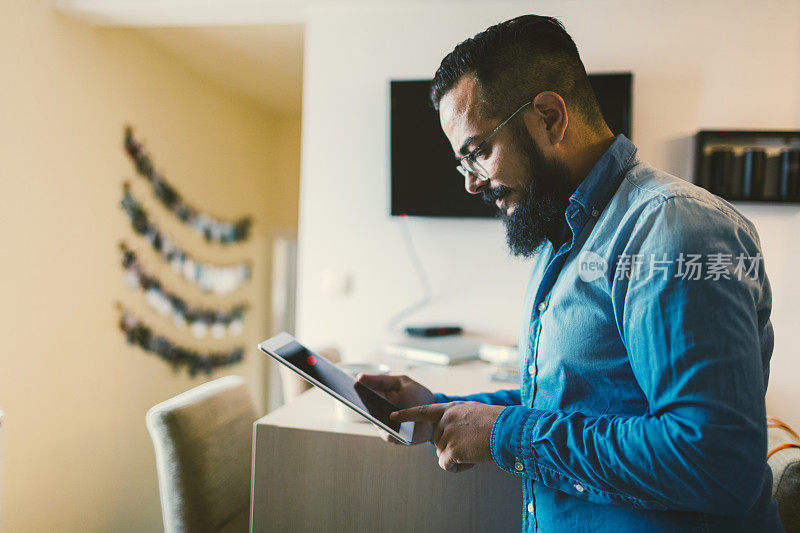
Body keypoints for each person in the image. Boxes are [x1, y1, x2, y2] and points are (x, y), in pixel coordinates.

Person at [357, 14, 784, 533]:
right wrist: (441, 409)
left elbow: (715, 461)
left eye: (477, 152)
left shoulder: (673, 231)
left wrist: (503, 435)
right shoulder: (565, 238)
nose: (471, 183)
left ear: (549, 117)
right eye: (462, 163)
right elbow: (577, 400)